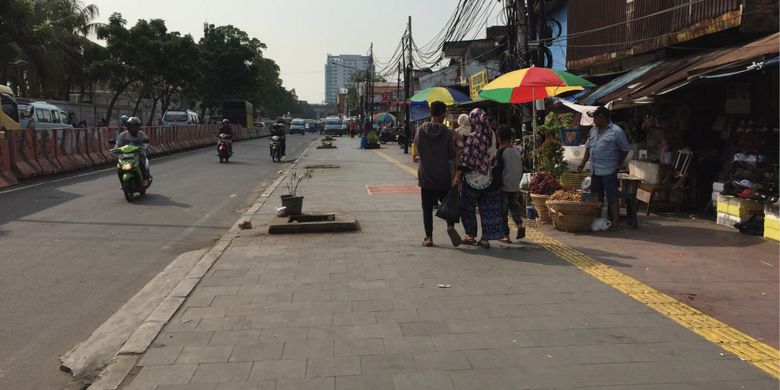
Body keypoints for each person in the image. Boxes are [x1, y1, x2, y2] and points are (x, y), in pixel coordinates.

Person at [453, 108, 504, 249]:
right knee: (487, 209)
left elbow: (466, 159)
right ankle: (485, 239)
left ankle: (470, 235)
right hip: (490, 177)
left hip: (473, 179)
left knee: (467, 207)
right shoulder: (491, 134)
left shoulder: (474, 136)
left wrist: (457, 175)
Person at [414, 101, 460, 247]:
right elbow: (451, 154)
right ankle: (450, 225)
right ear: (442, 114)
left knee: (426, 207)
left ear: (431, 113)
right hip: (443, 176)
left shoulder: (421, 130)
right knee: (447, 203)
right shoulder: (446, 132)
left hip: (426, 175)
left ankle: (429, 237)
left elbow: (418, 149)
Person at [578, 106, 630, 230]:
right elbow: (588, 148)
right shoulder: (593, 131)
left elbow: (625, 149)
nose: (594, 120)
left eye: (595, 117)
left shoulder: (616, 132)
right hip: (595, 169)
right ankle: (597, 219)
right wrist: (583, 163)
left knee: (612, 196)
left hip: (609, 169)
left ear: (603, 118)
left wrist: (619, 163)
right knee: (596, 197)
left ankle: (615, 223)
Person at [496, 126, 525, 243]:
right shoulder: (516, 151)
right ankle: (519, 225)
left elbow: (497, 170)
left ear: (499, 138)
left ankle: (505, 235)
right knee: (514, 207)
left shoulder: (501, 152)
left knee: (502, 212)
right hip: (515, 185)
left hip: (504, 186)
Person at [115, 116, 151, 184]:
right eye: (132, 126)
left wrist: (144, 148)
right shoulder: (123, 135)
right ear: (128, 126)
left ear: (138, 127)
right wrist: (115, 149)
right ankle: (122, 182)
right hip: (126, 155)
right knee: (119, 166)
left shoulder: (141, 134)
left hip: (139, 154)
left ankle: (145, 179)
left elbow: (145, 143)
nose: (133, 128)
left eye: (135, 126)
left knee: (141, 162)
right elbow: (118, 144)